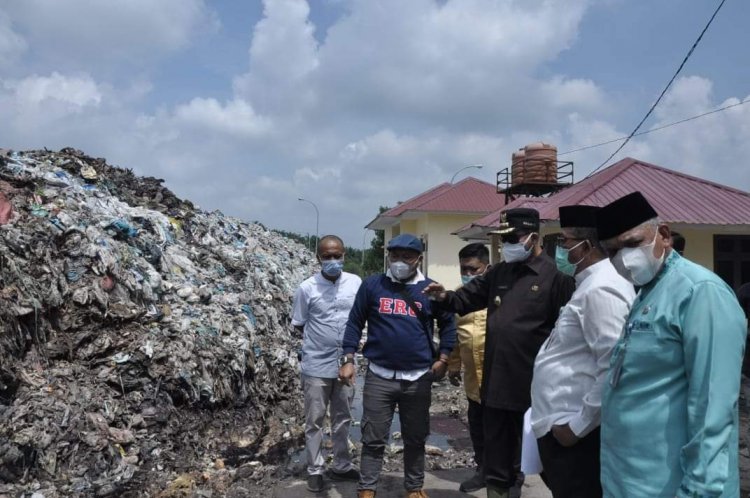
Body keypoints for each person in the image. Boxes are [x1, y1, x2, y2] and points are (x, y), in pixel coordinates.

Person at [596, 192, 747, 498]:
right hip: (630, 480)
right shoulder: (649, 292)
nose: (623, 258)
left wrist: (699, 490)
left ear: (663, 235)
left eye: (631, 243)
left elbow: (713, 407)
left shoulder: (701, 293)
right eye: (612, 251)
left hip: (676, 486)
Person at [424, 208, 575, 498]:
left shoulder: (556, 277)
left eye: (512, 238)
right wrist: (442, 296)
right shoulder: (499, 273)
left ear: (533, 237)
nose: (507, 245)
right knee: (497, 462)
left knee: (546, 460)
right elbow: (463, 299)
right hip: (496, 385)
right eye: (503, 239)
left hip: (535, 388)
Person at [339, 233, 457, 498]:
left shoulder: (430, 290)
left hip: (418, 378)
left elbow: (449, 326)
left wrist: (444, 358)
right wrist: (348, 359)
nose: (400, 261)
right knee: (373, 437)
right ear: (388, 256)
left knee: (415, 438)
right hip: (379, 376)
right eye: (395, 256)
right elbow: (355, 323)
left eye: (407, 256)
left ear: (418, 259)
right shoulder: (373, 286)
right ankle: (367, 488)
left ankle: (414, 487)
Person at [530, 205, 635, 498]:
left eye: (564, 241)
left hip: (577, 437)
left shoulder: (602, 289)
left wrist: (577, 427)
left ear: (585, 246)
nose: (559, 249)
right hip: (561, 428)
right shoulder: (587, 285)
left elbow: (614, 364)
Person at [291, 235, 362, 493]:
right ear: (318, 258)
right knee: (315, 420)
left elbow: (361, 316)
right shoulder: (307, 288)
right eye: (327, 256)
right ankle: (316, 469)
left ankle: (342, 465)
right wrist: (320, 343)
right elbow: (298, 324)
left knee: (343, 418)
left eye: (337, 255)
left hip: (347, 363)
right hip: (316, 366)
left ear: (344, 255)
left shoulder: (355, 283)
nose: (333, 260)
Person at [447, 243, 491, 493]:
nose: (468, 274)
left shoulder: (499, 294)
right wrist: (453, 366)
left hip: (500, 380)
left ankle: (511, 478)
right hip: (473, 380)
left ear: (486, 267)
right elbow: (454, 336)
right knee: (478, 428)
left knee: (506, 432)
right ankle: (483, 470)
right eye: (464, 269)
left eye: (473, 269)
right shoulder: (460, 296)